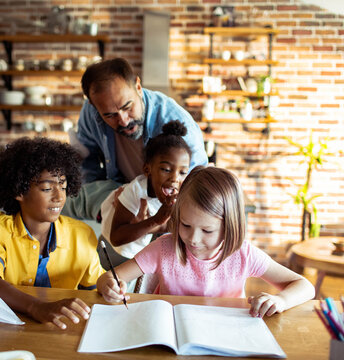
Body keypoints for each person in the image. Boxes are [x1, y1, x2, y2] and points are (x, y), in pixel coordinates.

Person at [97, 166, 315, 318]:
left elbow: (304, 286)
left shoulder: (244, 255)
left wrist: (281, 301)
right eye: (185, 225)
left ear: (230, 226)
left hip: (224, 335)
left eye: (208, 230)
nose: (193, 238)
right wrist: (110, 286)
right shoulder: (164, 248)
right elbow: (108, 278)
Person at [0, 137, 106, 330]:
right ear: (19, 191)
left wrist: (108, 285)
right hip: (10, 327)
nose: (59, 197)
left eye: (63, 186)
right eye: (46, 188)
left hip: (64, 329)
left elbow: (94, 289)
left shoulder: (82, 234)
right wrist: (35, 306)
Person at [63, 57, 207, 221]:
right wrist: (104, 201)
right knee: (67, 199)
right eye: (110, 115)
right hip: (117, 190)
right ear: (94, 105)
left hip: (165, 202)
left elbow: (196, 185)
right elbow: (86, 160)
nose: (123, 120)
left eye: (127, 107)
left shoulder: (177, 123)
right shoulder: (90, 112)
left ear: (138, 87)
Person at [100, 120, 191, 259]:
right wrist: (156, 221)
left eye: (183, 172)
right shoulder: (136, 191)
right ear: (147, 169)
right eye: (166, 170)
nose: (175, 179)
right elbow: (116, 237)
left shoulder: (179, 197)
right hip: (112, 249)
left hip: (137, 253)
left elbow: (170, 227)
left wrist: (160, 224)